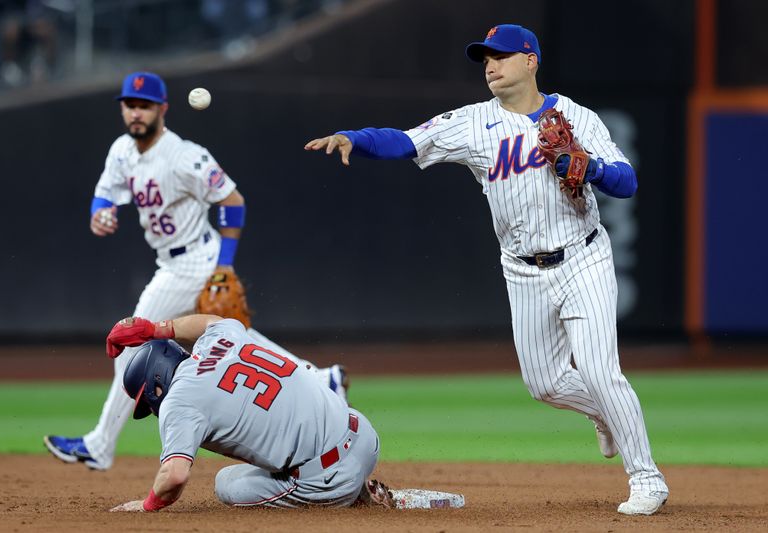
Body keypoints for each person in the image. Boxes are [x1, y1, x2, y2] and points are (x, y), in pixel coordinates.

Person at [304, 24, 668, 516]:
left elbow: (626, 182)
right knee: (544, 383)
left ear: (530, 60)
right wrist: (355, 137)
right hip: (521, 269)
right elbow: (406, 141)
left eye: (500, 56)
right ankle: (606, 414)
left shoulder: (575, 116)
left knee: (601, 371)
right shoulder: (473, 122)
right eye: (485, 59)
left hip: (583, 256)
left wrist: (590, 167)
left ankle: (647, 478)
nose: (490, 66)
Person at [44, 71, 348, 472]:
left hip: (196, 263)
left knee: (132, 338)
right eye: (130, 105)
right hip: (170, 260)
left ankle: (100, 445)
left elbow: (234, 201)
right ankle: (320, 379)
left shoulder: (186, 155)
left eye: (144, 106)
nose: (136, 113)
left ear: (162, 109)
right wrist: (99, 212)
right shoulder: (121, 150)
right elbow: (105, 192)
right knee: (236, 342)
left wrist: (224, 265)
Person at [103, 314, 385, 511]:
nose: (151, 408)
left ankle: (351, 494)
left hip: (330, 479)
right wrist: (154, 328)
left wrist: (147, 505)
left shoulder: (179, 400)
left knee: (226, 483)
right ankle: (355, 485)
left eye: (147, 400)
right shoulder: (220, 340)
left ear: (155, 385)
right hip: (364, 435)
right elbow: (213, 321)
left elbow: (175, 476)